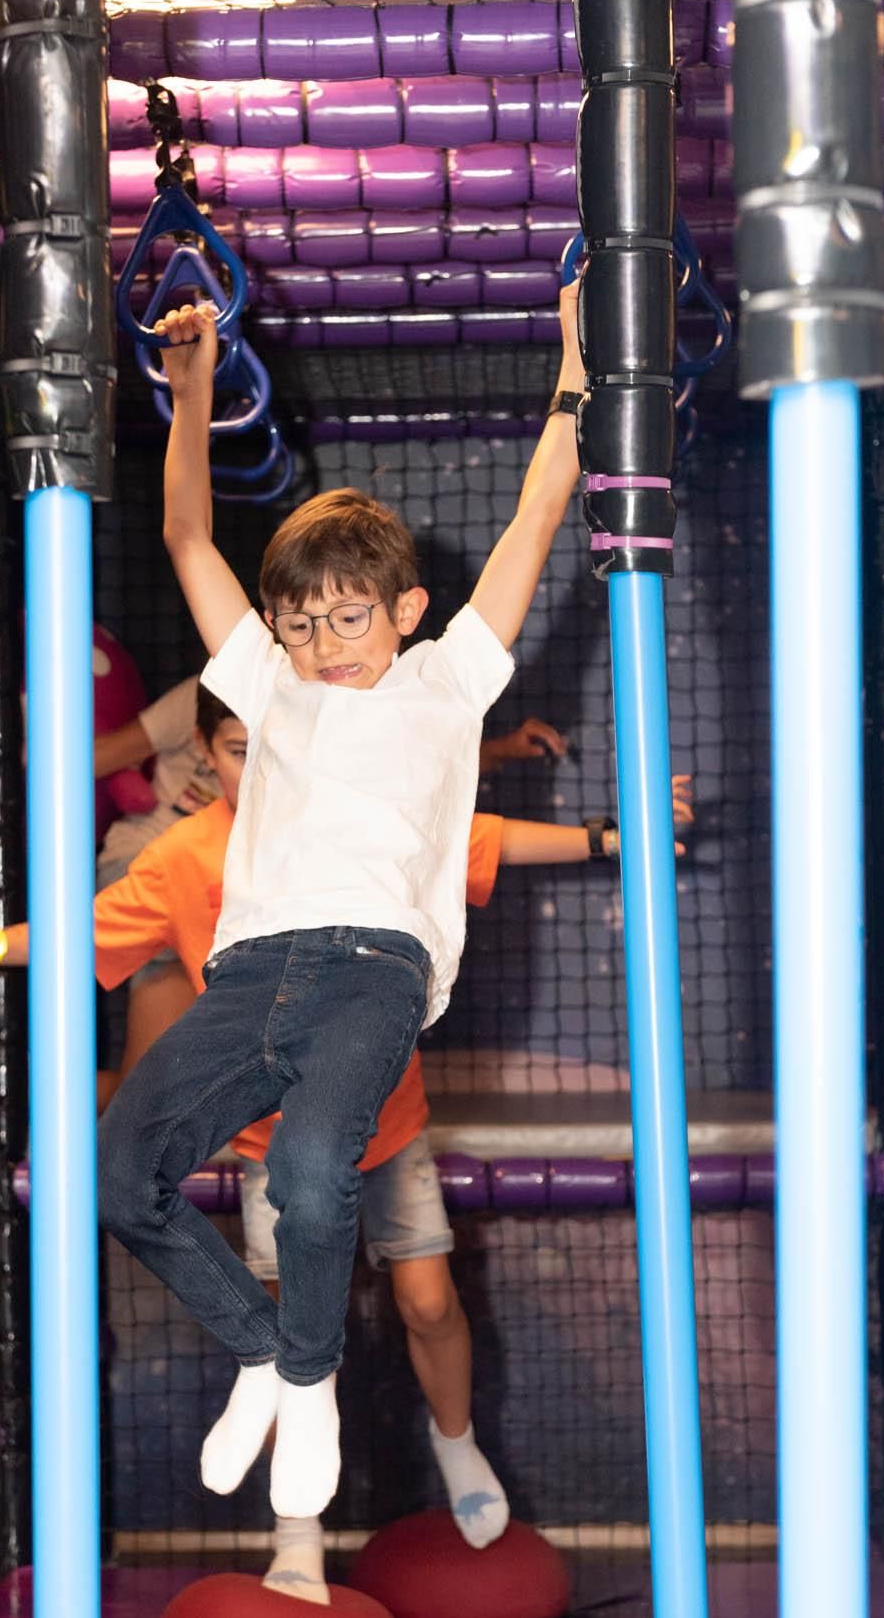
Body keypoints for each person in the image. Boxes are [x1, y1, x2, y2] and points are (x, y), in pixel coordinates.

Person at [0, 678, 693, 1599]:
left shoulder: (355, 818)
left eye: (274, 746)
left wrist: (609, 836)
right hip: (266, 1139)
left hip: (382, 1124)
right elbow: (86, 929)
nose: (260, 766)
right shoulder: (186, 855)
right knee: (283, 1331)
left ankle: (457, 1445)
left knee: (428, 1303)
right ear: (204, 757)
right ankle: (297, 1531)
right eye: (238, 751)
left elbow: (477, 837)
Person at [76, 280, 590, 1523]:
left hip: (373, 968)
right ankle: (266, 1352)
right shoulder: (271, 687)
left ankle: (308, 1382)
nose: (326, 645)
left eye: (351, 619)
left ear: (404, 612)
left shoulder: (446, 681)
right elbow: (188, 538)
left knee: (313, 1171)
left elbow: (537, 508)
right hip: (251, 969)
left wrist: (578, 357)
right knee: (122, 1175)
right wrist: (190, 394)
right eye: (303, 626)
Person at [90, 673, 573, 1109]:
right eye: (239, 752)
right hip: (156, 860)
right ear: (207, 747)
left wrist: (507, 756)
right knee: (154, 1087)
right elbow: (105, 758)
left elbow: (412, 784)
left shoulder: (317, 707)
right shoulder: (208, 713)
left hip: (242, 883)